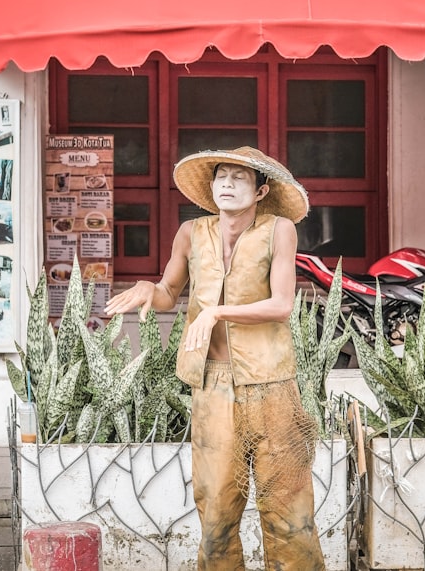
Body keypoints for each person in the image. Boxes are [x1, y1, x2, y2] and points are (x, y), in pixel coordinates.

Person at [104, 146, 325, 571]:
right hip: (212, 383)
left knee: (287, 507)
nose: (226, 183)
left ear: (261, 191)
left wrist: (218, 312)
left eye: (239, 178)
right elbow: (170, 292)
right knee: (216, 506)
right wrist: (152, 290)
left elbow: (281, 305)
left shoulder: (279, 230)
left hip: (270, 383)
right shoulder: (190, 233)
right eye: (221, 176)